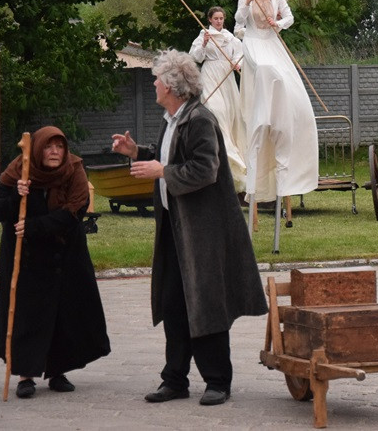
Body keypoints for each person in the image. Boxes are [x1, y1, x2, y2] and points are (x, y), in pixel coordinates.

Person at [111, 50, 267, 406]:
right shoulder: (172, 119)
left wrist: (161, 171)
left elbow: (204, 169)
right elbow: (170, 157)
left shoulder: (200, 119)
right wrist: (138, 152)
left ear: (171, 85)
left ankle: (218, 381)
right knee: (174, 303)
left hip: (203, 232)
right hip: (175, 228)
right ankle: (175, 380)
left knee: (207, 302)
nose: (153, 83)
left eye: (157, 79)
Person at [0, 126, 110, 398]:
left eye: (60, 146)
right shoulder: (20, 169)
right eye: (48, 146)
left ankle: (58, 371)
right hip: (26, 257)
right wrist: (16, 194)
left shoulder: (74, 169)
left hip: (63, 253)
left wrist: (35, 226)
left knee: (62, 313)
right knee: (26, 314)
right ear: (37, 149)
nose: (55, 152)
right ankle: (25, 375)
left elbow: (75, 210)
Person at [235, 0, 319, 204]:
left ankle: (283, 109)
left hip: (272, 41)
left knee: (285, 78)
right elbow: (239, 21)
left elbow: (290, 17)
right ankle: (263, 108)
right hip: (253, 41)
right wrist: (247, 3)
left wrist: (278, 24)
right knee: (265, 69)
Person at [189, 6, 247, 192]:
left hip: (226, 77)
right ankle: (225, 153)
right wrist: (204, 44)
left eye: (221, 18)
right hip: (210, 75)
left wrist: (237, 64)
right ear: (210, 19)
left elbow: (240, 55)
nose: (219, 21)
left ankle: (234, 157)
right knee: (216, 111)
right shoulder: (203, 35)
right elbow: (195, 57)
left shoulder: (231, 38)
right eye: (216, 18)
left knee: (231, 114)